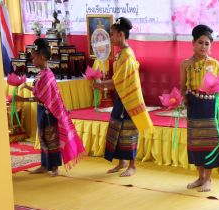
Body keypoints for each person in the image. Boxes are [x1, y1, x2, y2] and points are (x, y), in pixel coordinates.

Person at [93, 17, 153, 177]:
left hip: (129, 99)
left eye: (112, 34)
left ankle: (132, 165)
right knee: (117, 128)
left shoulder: (127, 55)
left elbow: (118, 80)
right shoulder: (121, 53)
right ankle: (122, 162)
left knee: (128, 131)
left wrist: (101, 85)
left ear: (120, 35)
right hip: (121, 97)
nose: (110, 37)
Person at [20, 38, 85, 176]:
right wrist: (27, 86)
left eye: (34, 58)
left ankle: (54, 167)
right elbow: (39, 92)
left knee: (51, 138)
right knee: (43, 137)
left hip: (49, 112)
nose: (32, 61)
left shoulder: (47, 75)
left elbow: (42, 96)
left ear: (42, 57)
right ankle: (44, 165)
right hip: (41, 110)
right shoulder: (41, 74)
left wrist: (23, 98)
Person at [180, 24, 219, 192]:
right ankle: (200, 177)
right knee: (196, 143)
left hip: (210, 106)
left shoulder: (215, 64)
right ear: (193, 43)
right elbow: (182, 87)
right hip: (194, 106)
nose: (203, 46)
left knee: (209, 143)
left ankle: (208, 179)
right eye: (200, 42)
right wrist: (182, 99)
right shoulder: (185, 64)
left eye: (207, 44)